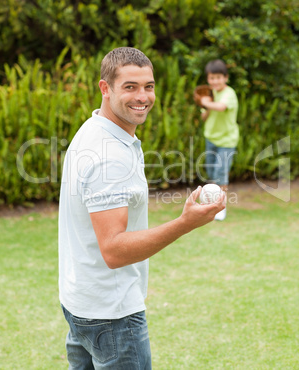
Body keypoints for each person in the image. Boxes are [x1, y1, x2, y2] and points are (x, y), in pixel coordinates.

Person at [59, 47, 226, 369]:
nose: (143, 96)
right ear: (105, 89)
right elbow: (114, 250)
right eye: (130, 87)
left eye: (148, 86)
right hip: (111, 313)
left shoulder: (96, 128)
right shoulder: (109, 155)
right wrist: (185, 222)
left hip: (82, 301)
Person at [193, 59, 239, 221]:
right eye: (212, 78)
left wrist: (207, 102)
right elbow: (204, 116)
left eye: (219, 77)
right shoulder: (209, 94)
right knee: (211, 172)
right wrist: (204, 105)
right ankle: (212, 202)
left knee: (221, 173)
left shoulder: (229, 93)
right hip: (211, 138)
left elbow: (221, 107)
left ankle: (221, 207)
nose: (215, 81)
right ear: (208, 79)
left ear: (225, 78)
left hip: (226, 141)